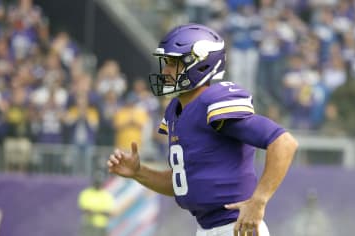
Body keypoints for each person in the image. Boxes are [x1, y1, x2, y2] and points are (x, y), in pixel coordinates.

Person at [107, 23, 298, 236]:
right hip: (207, 229)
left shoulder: (214, 102)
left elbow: (283, 142)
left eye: (173, 63)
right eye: (165, 62)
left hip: (236, 227)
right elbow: (182, 182)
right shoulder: (175, 110)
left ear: (200, 65)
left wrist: (259, 200)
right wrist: (138, 172)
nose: (165, 70)